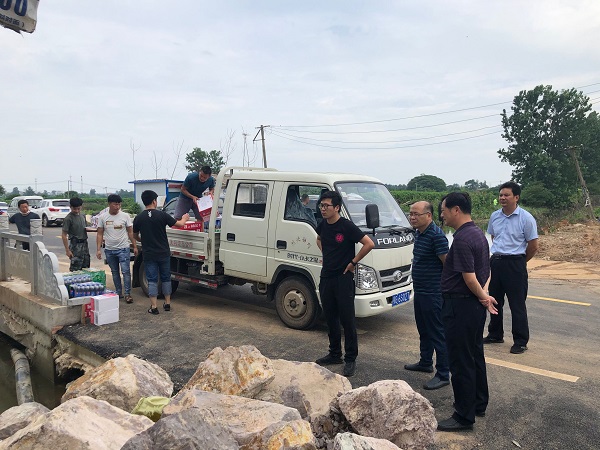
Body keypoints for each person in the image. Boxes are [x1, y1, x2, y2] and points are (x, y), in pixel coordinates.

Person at [437, 192, 498, 432]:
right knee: (474, 356)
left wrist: (483, 297)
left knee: (461, 361)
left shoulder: (462, 239)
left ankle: (463, 416)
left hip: (460, 306)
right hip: (472, 306)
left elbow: (469, 277)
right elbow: (486, 270)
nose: (442, 215)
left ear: (456, 210)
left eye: (444, 210)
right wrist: (484, 295)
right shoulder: (478, 234)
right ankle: (478, 403)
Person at [314, 190, 375, 377]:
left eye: (327, 206)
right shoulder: (323, 224)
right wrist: (327, 255)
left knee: (347, 320)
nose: (323, 209)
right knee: (330, 317)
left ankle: (350, 358)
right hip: (326, 277)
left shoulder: (346, 226)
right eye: (321, 205)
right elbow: (319, 239)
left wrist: (353, 263)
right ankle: (334, 354)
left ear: (337, 208)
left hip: (343, 278)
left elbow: (369, 244)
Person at [484, 181, 538, 354]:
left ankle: (520, 341)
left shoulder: (526, 218)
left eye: (506, 195)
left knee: (517, 304)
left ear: (516, 197)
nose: (502, 198)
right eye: (501, 195)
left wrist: (520, 261)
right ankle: (495, 334)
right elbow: (494, 237)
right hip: (496, 262)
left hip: (515, 264)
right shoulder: (495, 216)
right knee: (494, 301)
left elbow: (533, 246)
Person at [404, 201, 450, 390]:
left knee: (437, 333)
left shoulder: (437, 236)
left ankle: (443, 373)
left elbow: (448, 265)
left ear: (429, 216)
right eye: (411, 214)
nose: (412, 217)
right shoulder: (419, 233)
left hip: (433, 293)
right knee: (423, 329)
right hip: (421, 290)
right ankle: (425, 362)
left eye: (416, 214)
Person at [133, 190, 189, 315]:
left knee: (152, 280)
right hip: (163, 253)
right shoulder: (162, 215)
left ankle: (154, 307)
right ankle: (167, 303)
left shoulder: (139, 218)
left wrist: (143, 240)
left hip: (149, 254)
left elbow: (134, 235)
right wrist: (185, 218)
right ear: (154, 201)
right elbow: (179, 224)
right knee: (166, 278)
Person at [96, 194, 138, 304]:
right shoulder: (103, 217)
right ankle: (119, 292)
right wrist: (98, 249)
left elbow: (130, 232)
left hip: (123, 248)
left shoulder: (125, 216)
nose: (117, 207)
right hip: (109, 250)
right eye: (115, 204)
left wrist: (134, 246)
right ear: (109, 204)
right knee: (115, 272)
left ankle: (127, 294)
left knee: (126, 272)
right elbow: (99, 234)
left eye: (119, 204)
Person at [62, 197, 90, 271]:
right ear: (70, 207)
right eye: (74, 209)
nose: (76, 210)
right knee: (76, 268)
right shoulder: (68, 218)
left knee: (86, 267)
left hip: (84, 244)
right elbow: (64, 235)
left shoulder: (82, 216)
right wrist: (67, 250)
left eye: (78, 208)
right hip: (75, 245)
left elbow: (85, 228)